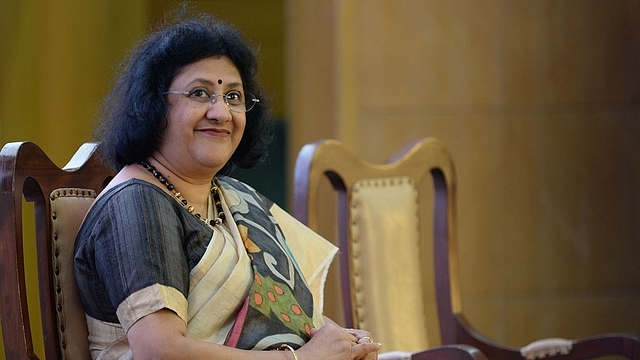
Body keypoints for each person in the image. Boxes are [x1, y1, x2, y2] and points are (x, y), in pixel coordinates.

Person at [73, 11, 381, 360]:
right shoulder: (138, 204)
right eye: (200, 93)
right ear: (154, 106)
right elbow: (160, 352)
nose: (221, 113)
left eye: (233, 97)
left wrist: (340, 342)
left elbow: (290, 316)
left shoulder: (232, 200)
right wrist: (304, 358)